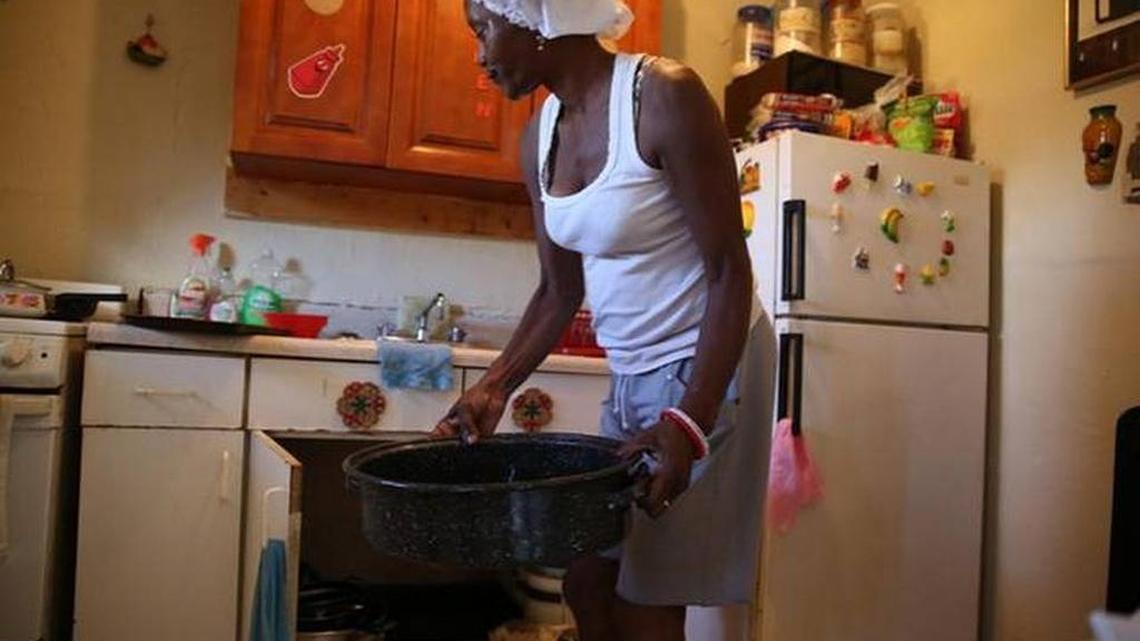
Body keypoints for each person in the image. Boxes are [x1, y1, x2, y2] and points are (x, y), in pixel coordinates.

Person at [434, 1, 774, 639]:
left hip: (709, 366)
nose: (479, 54)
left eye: (483, 29)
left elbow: (731, 270)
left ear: (535, 18)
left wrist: (687, 423)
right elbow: (557, 291)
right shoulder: (539, 136)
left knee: (649, 601)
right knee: (587, 579)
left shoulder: (662, 97)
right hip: (632, 373)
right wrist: (493, 386)